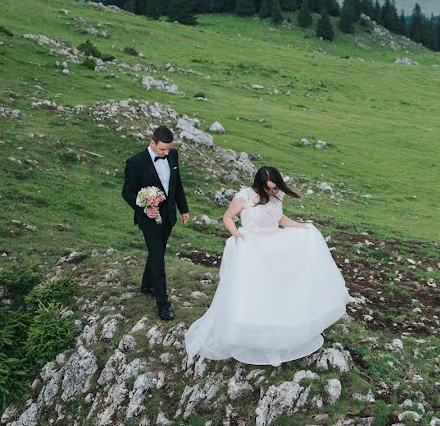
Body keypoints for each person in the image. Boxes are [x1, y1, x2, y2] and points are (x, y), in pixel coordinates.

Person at [185, 166, 351, 365]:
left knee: (278, 290)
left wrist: (300, 226)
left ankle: (279, 334)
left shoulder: (277, 194)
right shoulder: (244, 196)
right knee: (255, 293)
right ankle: (252, 335)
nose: (273, 192)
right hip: (252, 247)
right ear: (259, 184)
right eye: (269, 188)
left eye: (275, 188)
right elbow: (228, 217)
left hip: (275, 244)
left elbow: (278, 218)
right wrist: (236, 235)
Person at [121, 126, 189, 321]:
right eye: (162, 150)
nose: (166, 153)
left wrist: (183, 209)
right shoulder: (135, 162)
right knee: (158, 258)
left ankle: (146, 285)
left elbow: (177, 184)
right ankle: (163, 304)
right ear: (152, 143)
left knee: (156, 251)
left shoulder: (173, 155)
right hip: (148, 219)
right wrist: (144, 208)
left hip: (168, 216)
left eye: (168, 149)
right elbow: (127, 192)